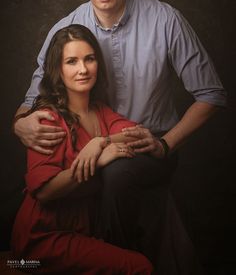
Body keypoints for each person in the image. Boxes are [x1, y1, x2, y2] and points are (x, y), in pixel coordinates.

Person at [13, 0, 226, 274]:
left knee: (117, 171)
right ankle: (116, 261)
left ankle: (122, 262)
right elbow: (30, 103)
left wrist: (165, 144)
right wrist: (18, 121)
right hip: (91, 147)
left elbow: (212, 95)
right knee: (104, 173)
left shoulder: (165, 19)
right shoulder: (67, 29)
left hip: (151, 144)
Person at [11, 24, 154, 274]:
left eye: (89, 59)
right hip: (42, 239)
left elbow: (139, 135)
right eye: (72, 61)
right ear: (58, 69)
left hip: (84, 228)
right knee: (139, 267)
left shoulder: (100, 111)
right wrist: (96, 161)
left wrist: (100, 143)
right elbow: (44, 191)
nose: (83, 69)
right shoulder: (47, 120)